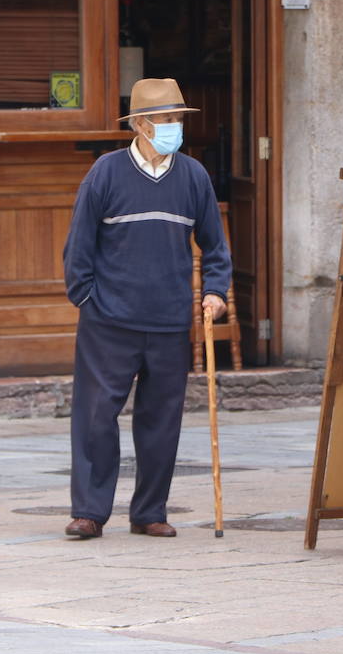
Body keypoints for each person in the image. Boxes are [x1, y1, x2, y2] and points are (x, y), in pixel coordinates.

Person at [62, 77, 230, 539]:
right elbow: (79, 246)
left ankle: (150, 511)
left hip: (170, 320)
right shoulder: (106, 172)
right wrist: (86, 298)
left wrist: (216, 290)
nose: (173, 127)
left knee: (161, 421)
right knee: (96, 416)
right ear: (138, 124)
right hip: (109, 319)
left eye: (178, 119)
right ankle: (90, 512)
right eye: (165, 119)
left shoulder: (193, 175)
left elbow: (215, 245)